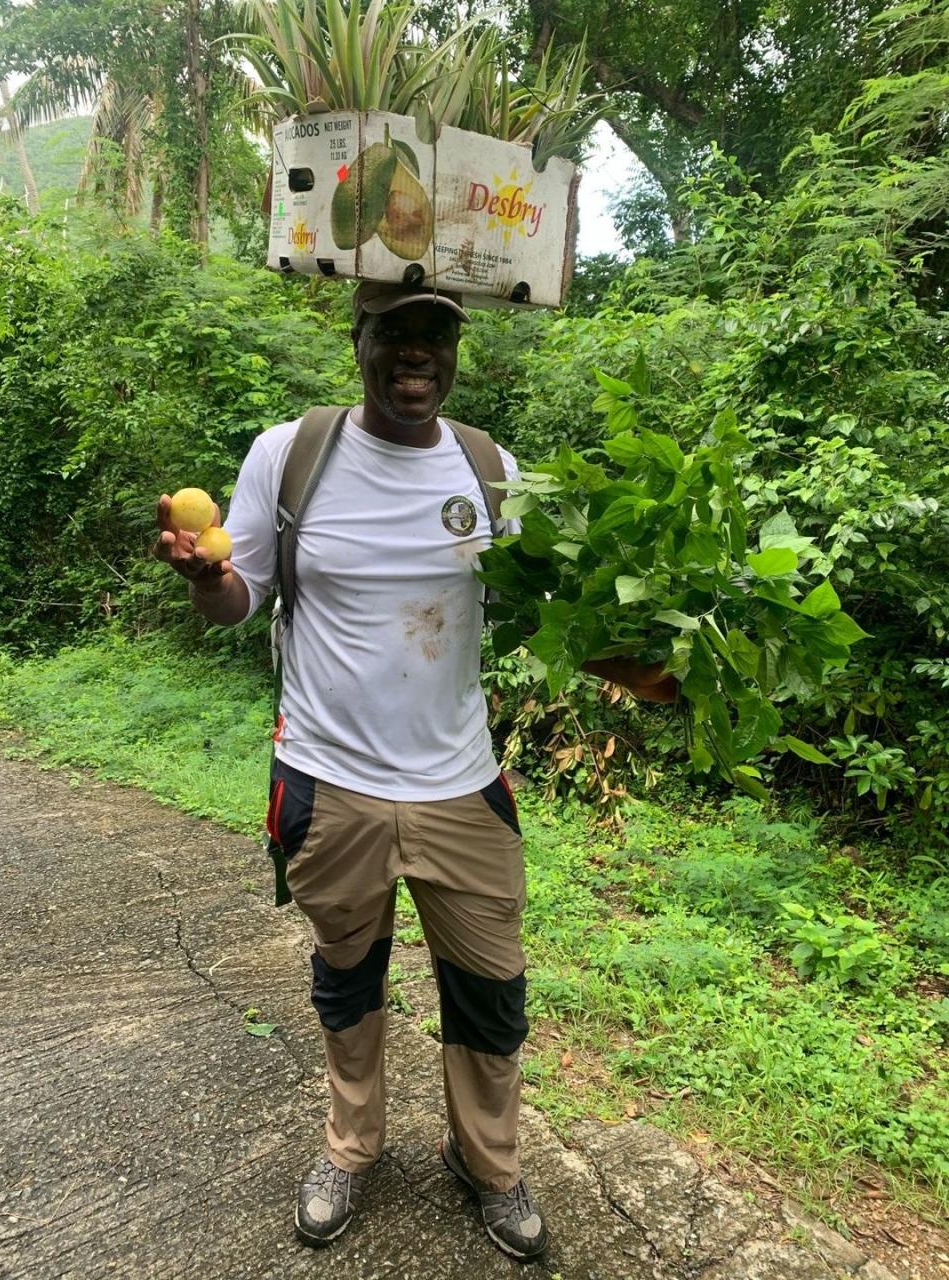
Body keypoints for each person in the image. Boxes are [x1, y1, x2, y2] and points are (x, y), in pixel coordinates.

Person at [154, 280, 675, 1261]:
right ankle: (350, 1147)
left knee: (491, 985)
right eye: (396, 331)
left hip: (459, 784)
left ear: (454, 352)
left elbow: (542, 606)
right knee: (346, 975)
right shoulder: (291, 453)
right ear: (358, 340)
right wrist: (209, 578)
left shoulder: (488, 467)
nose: (417, 352)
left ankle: (487, 1159)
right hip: (329, 778)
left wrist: (655, 669)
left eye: (436, 333)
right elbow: (243, 597)